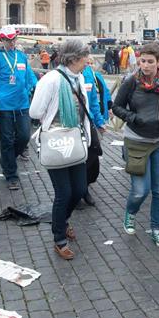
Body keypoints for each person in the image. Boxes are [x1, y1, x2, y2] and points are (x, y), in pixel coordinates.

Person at [29, 40, 92, 260]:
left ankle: (62, 221)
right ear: (74, 58)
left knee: (79, 189)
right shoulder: (51, 80)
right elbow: (35, 111)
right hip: (56, 142)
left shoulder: (80, 77)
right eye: (85, 56)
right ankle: (59, 238)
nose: (88, 60)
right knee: (64, 193)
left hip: (75, 140)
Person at [112, 42, 159, 248]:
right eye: (143, 61)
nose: (146, 66)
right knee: (141, 190)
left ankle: (157, 229)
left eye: (151, 62)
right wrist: (133, 118)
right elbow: (116, 106)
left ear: (158, 63)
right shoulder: (131, 82)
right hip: (137, 141)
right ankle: (130, 213)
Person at [0, 26, 37, 190]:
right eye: (8, 40)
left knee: (24, 136)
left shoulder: (21, 56)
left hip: (22, 104)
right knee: (6, 140)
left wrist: (32, 88)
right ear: (2, 40)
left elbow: (30, 77)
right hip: (3, 106)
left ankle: (7, 160)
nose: (11, 42)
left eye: (13, 39)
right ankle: (11, 175)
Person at [80, 55, 111, 206]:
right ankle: (81, 190)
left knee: (92, 156)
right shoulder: (68, 76)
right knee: (82, 158)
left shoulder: (93, 76)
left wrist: (100, 120)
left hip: (90, 121)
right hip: (75, 124)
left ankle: (84, 186)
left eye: (92, 63)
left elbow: (95, 101)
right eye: (87, 62)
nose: (90, 65)